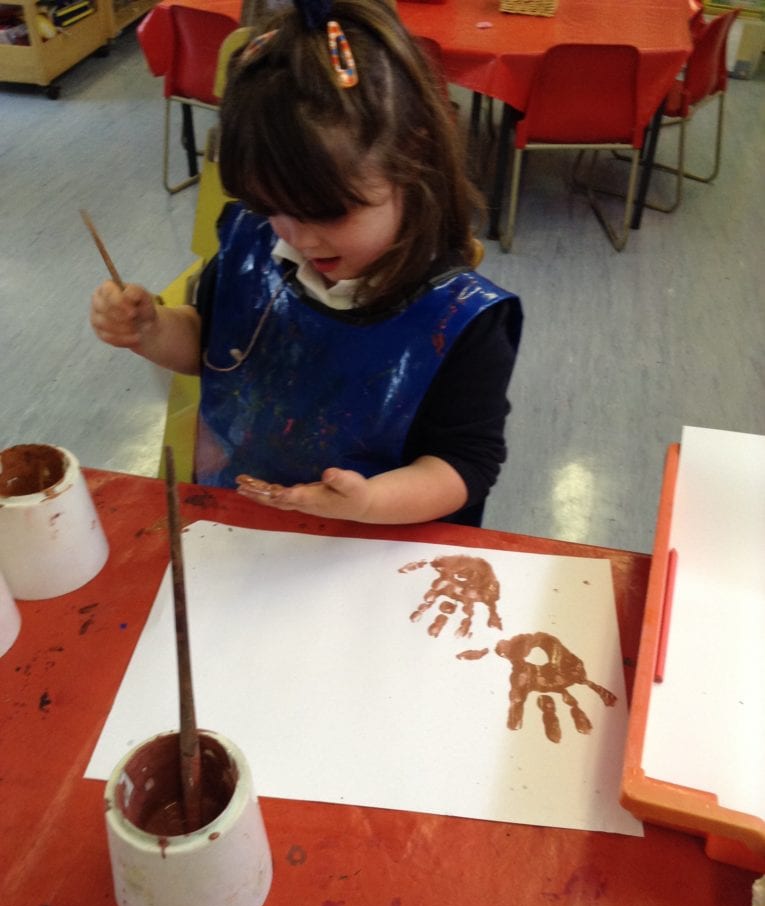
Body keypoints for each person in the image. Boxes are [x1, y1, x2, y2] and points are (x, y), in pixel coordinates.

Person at [90, 0, 523, 527]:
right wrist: (153, 331)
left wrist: (369, 503)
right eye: (270, 207)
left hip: (377, 541)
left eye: (326, 212)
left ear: (411, 158)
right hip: (243, 520)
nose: (297, 237)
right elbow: (210, 348)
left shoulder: (462, 320)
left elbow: (465, 464)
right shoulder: (252, 242)